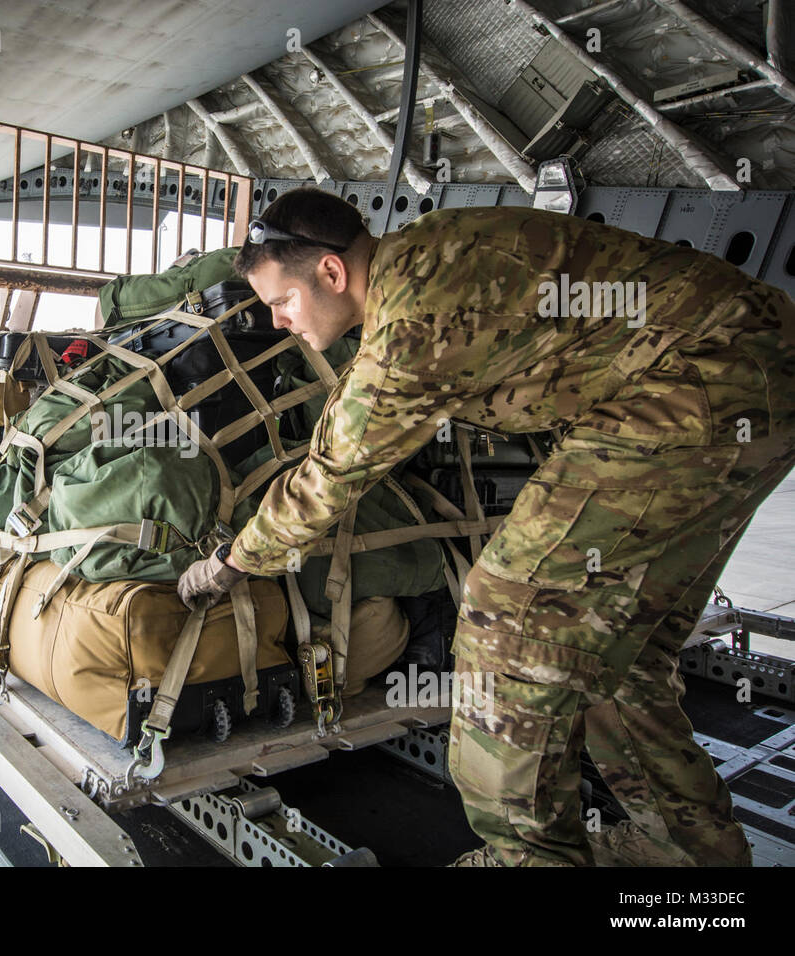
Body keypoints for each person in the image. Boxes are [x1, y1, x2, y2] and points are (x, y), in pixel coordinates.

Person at [177, 186, 795, 866]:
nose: (279, 321)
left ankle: (524, 857)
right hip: (747, 373)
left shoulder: (414, 320)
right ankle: (692, 857)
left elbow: (333, 473)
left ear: (331, 272)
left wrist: (235, 560)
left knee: (510, 610)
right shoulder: (431, 250)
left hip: (693, 388)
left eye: (282, 301)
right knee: (616, 650)